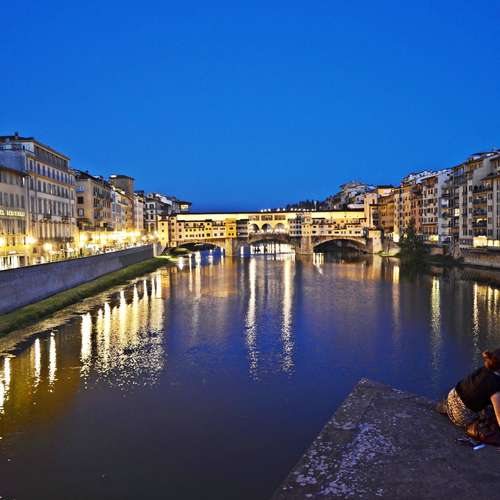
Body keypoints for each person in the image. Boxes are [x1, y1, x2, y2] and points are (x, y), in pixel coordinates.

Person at [438, 350, 500, 441]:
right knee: (492, 414)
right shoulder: (494, 384)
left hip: (451, 399)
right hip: (461, 415)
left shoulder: (485, 369)